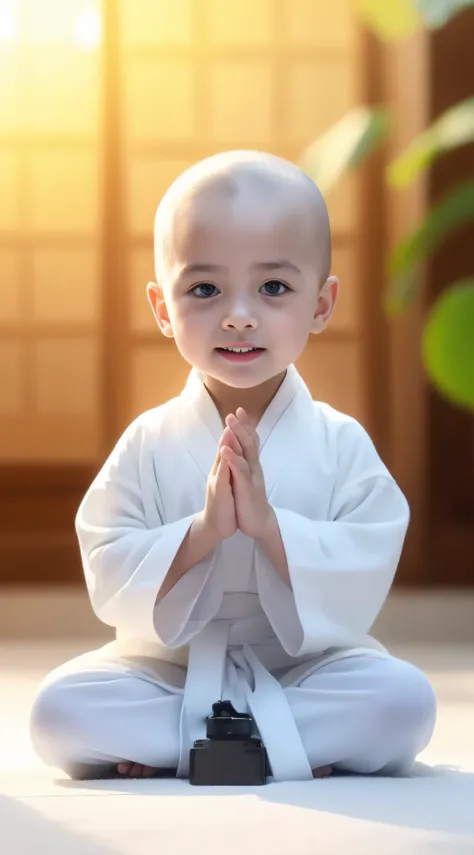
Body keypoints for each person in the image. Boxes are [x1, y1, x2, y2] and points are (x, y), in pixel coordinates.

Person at [29, 150, 436, 782]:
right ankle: (276, 740)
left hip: (305, 666)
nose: (239, 313)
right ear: (163, 308)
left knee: (403, 704)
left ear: (323, 303)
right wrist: (202, 534)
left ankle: (191, 744)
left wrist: (272, 530)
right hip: (173, 666)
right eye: (204, 288)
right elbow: (108, 564)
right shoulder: (148, 441)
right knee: (57, 713)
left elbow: (368, 554)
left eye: (273, 287)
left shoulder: (339, 441)